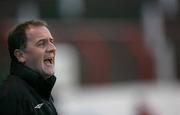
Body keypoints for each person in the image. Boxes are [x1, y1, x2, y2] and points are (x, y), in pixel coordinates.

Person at [0, 20, 58, 115]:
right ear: (20, 55)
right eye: (41, 43)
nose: (52, 48)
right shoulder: (11, 96)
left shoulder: (43, 92)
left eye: (51, 41)